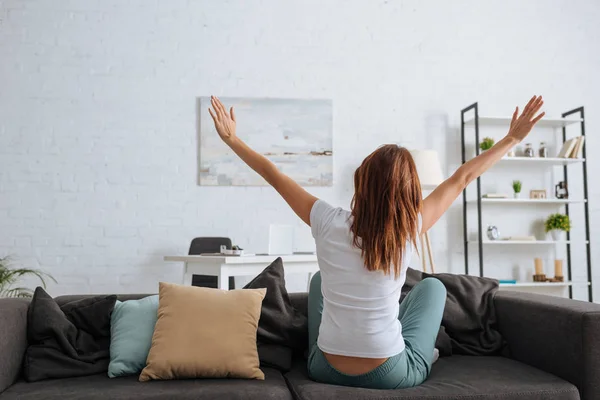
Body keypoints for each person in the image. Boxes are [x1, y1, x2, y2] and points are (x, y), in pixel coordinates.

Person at [208, 95, 545, 389]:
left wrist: (232, 140)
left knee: (319, 279)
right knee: (434, 289)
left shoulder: (326, 220)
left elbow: (273, 174)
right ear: (410, 190)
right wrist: (512, 139)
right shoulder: (410, 226)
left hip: (323, 369)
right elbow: (462, 178)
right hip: (389, 374)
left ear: (361, 181)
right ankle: (422, 353)